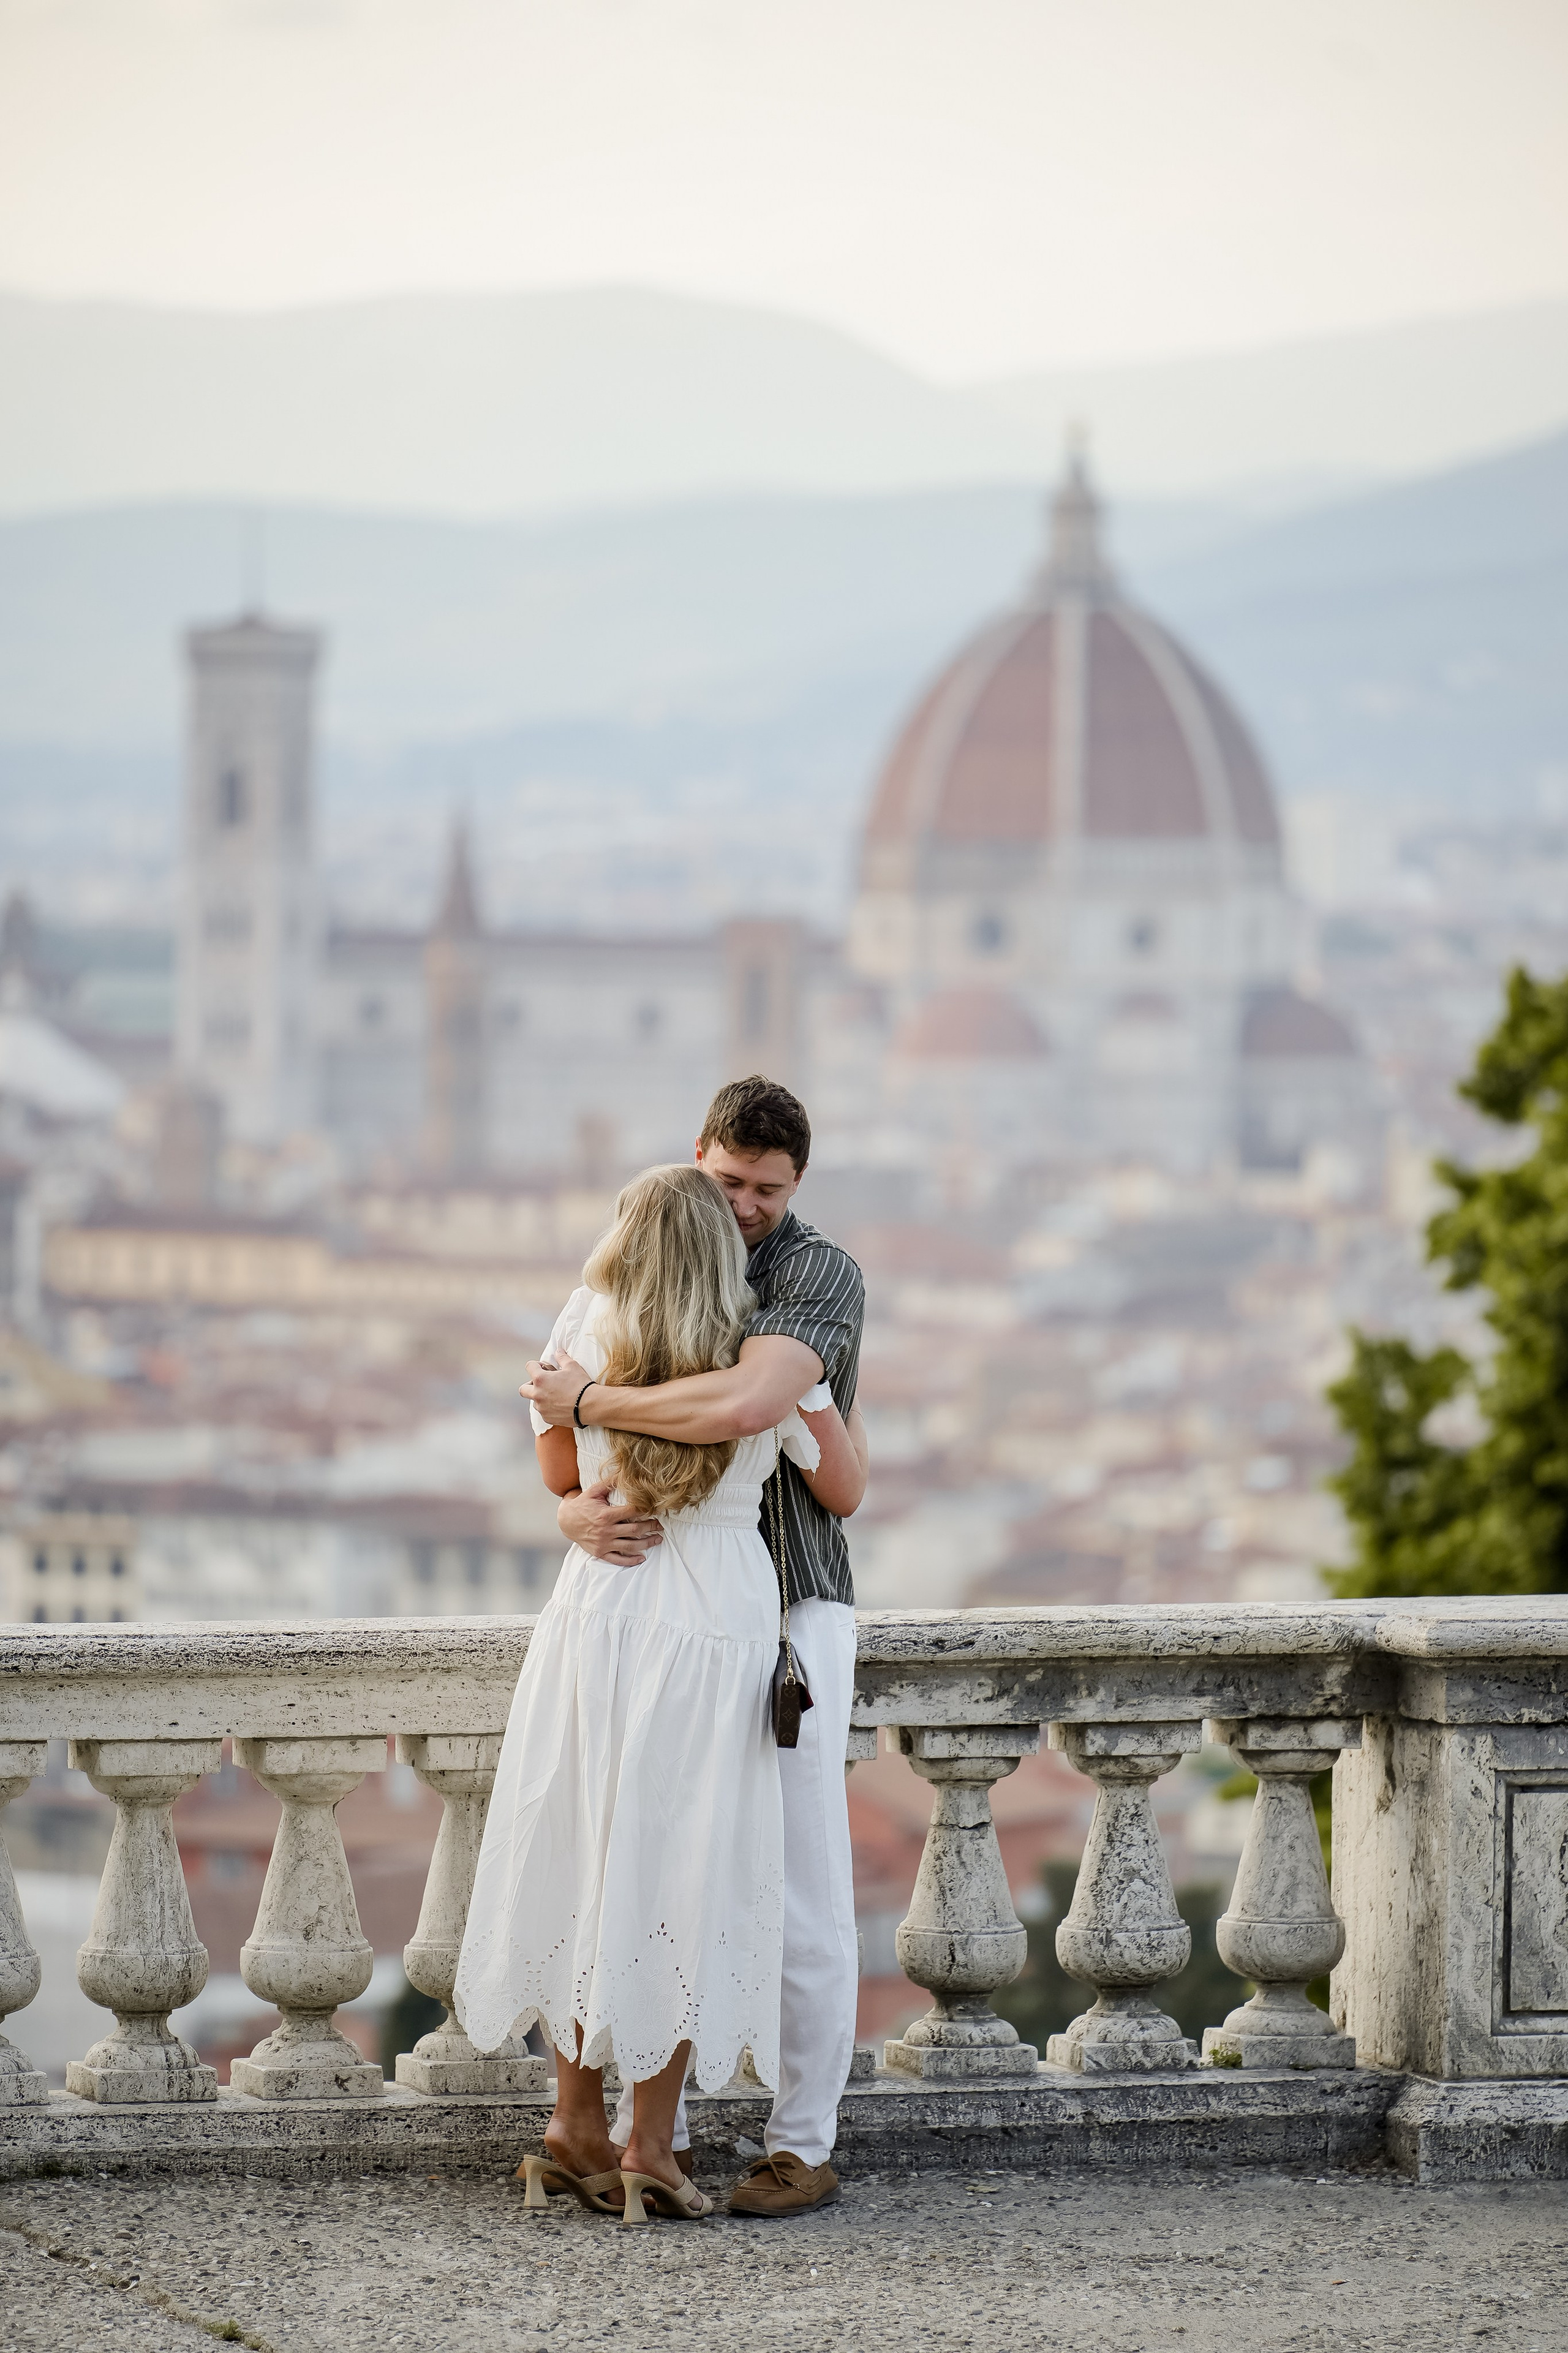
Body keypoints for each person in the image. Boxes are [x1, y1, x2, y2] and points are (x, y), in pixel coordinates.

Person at [454, 1159, 865, 2223]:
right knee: (684, 1870)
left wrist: (585, 1474)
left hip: (600, 1598)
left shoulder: (585, 1327)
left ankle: (571, 2127)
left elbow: (557, 1473)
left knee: (590, 1855)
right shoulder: (764, 1350)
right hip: (709, 1610)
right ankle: (649, 2147)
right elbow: (842, 1485)